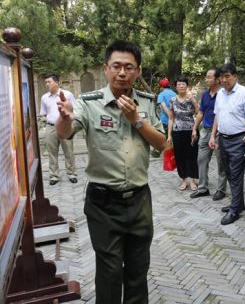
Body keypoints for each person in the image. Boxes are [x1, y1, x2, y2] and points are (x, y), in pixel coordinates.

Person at [56, 40, 165, 304]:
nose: (122, 72)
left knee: (138, 270)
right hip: (103, 204)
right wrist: (65, 118)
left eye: (129, 67)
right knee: (109, 271)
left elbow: (162, 143)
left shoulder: (148, 103)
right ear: (106, 69)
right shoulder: (89, 103)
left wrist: (136, 120)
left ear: (137, 71)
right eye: (116, 66)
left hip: (139, 202)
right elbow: (65, 133)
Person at [209, 63, 245, 225]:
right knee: (227, 172)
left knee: (236, 174)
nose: (224, 80)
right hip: (223, 138)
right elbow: (217, 116)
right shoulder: (220, 93)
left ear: (235, 76)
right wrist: (213, 136)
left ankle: (235, 210)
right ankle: (238, 203)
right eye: (221, 77)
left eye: (227, 76)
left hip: (238, 139)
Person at [190, 68, 228, 200]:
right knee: (201, 160)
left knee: (221, 163)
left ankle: (221, 190)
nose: (206, 79)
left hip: (219, 133)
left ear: (218, 79)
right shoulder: (205, 95)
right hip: (205, 131)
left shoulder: (224, 95)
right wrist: (195, 128)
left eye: (209, 77)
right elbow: (201, 112)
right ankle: (203, 188)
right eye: (206, 77)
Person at [39, 73, 77, 185]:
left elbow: (74, 110)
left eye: (49, 82)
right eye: (45, 82)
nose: (47, 84)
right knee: (52, 153)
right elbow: (44, 113)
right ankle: (54, 176)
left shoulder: (67, 94)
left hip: (66, 126)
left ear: (57, 82)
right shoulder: (44, 98)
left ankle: (72, 174)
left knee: (69, 151)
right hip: (51, 127)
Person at [167, 75, 199, 191]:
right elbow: (171, 118)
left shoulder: (191, 98)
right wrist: (169, 134)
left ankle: (193, 180)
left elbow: (198, 112)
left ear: (187, 86)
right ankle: (184, 180)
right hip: (177, 131)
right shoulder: (172, 100)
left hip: (191, 131)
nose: (181, 86)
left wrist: (193, 101)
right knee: (180, 156)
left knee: (192, 155)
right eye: (179, 84)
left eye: (183, 84)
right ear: (176, 87)